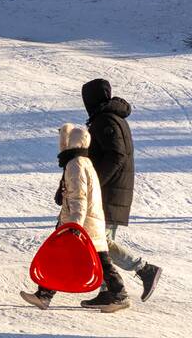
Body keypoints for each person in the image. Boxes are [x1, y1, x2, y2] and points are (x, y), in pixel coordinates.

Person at [20, 124, 131, 313]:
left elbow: (79, 197)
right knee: (68, 258)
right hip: (88, 223)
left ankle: (120, 295)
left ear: (70, 142)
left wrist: (74, 226)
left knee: (96, 261)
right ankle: (44, 295)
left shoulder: (75, 164)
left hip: (81, 224)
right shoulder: (84, 162)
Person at [81, 79, 162, 304]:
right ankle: (109, 292)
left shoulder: (104, 120)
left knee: (99, 241)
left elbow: (116, 156)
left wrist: (95, 184)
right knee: (100, 240)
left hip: (108, 191)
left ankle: (144, 269)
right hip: (115, 190)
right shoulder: (113, 118)